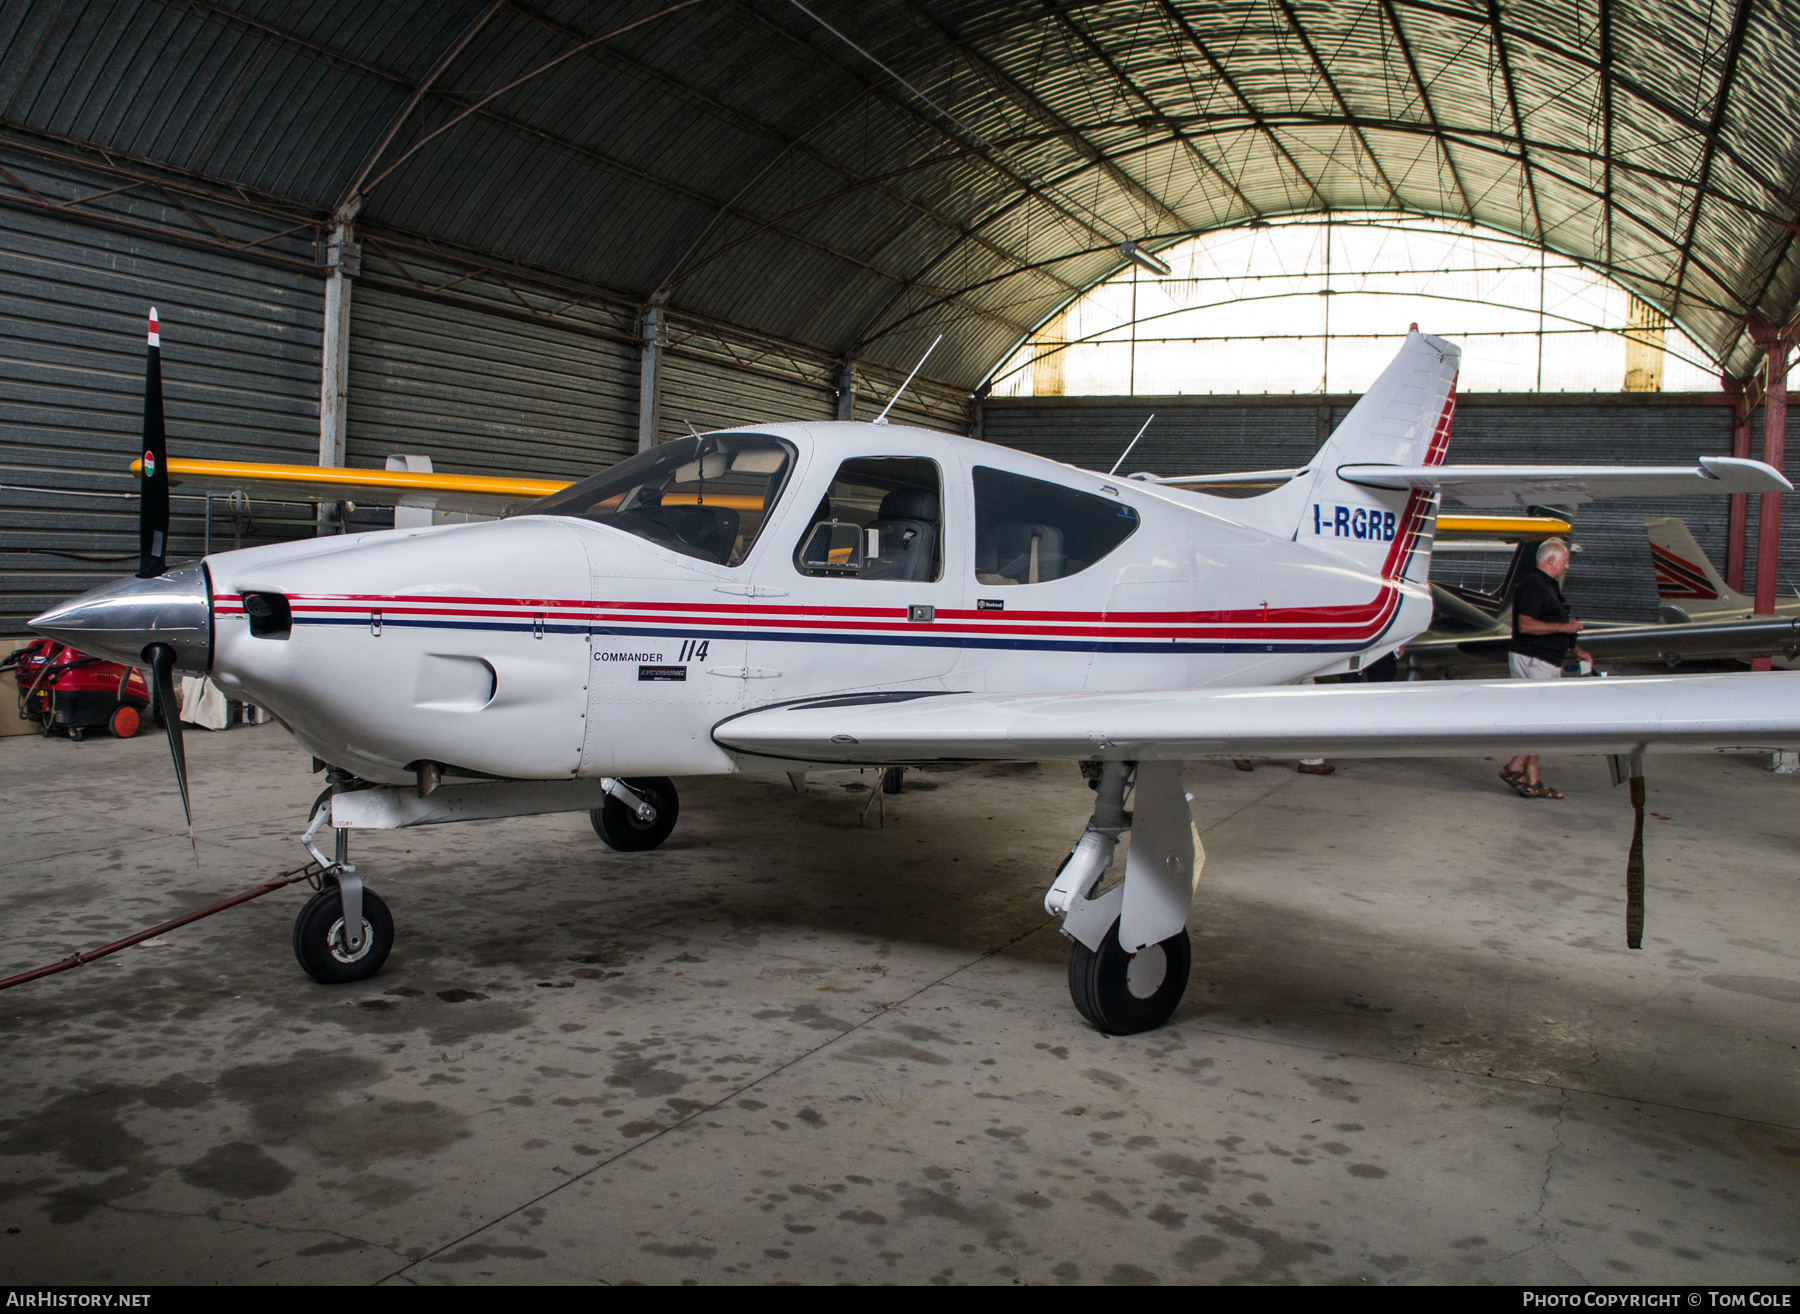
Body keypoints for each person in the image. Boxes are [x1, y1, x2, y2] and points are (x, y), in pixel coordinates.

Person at [1501, 538, 1591, 799]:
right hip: (1535, 660)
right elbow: (1526, 625)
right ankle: (1515, 766)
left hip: (1541, 658)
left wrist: (1574, 649)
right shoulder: (1533, 584)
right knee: (1543, 720)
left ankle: (1532, 781)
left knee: (1536, 720)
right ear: (1550, 560)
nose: (1567, 566)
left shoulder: (1546, 585)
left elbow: (1545, 624)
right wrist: (1565, 629)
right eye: (1564, 560)